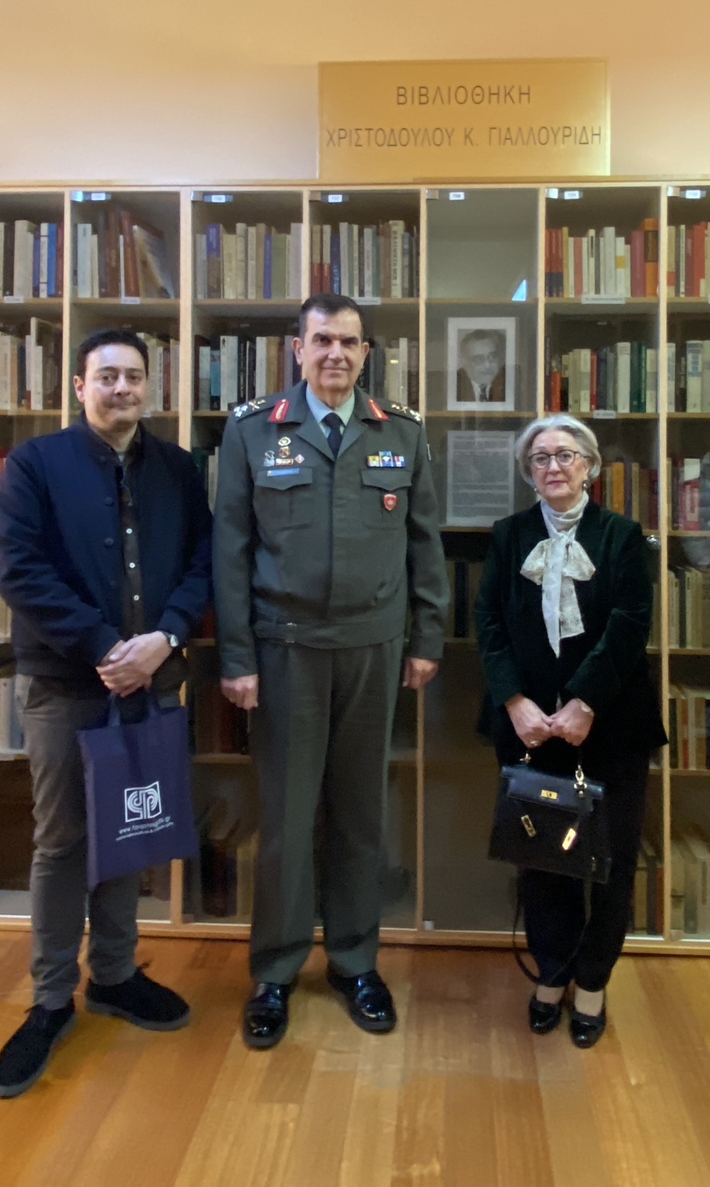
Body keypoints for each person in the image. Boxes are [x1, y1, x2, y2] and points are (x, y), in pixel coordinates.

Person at [213, 293, 449, 1049]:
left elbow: (426, 545)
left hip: (374, 647)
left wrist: (427, 639)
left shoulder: (401, 431)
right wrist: (237, 657)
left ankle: (354, 962)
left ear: (366, 353)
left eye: (349, 342)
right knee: (286, 819)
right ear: (298, 349)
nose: (335, 354)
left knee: (360, 814)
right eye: (322, 340)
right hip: (285, 651)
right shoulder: (253, 430)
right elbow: (230, 552)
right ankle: (275, 972)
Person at [0, 327, 214, 1098]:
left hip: (152, 681)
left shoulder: (177, 469)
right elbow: (19, 570)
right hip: (65, 685)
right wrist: (104, 648)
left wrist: (165, 638)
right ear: (79, 387)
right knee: (62, 842)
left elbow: (202, 563)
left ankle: (114, 976)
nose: (122, 388)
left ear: (149, 386)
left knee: (129, 833)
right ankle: (51, 998)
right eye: (107, 376)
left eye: (134, 376)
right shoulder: (34, 465)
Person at [473, 414, 663, 1048]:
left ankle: (593, 982)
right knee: (541, 858)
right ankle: (551, 974)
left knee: (610, 861)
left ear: (590, 466)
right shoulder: (509, 536)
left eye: (565, 455)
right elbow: (489, 623)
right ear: (528, 473)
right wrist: (515, 702)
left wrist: (585, 702)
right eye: (540, 458)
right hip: (528, 727)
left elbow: (631, 625)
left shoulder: (622, 536)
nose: (552, 466)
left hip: (610, 725)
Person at [454, 328, 508, 404]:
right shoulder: (454, 385)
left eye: (492, 357)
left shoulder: (508, 382)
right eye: (479, 359)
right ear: (464, 361)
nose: (487, 365)